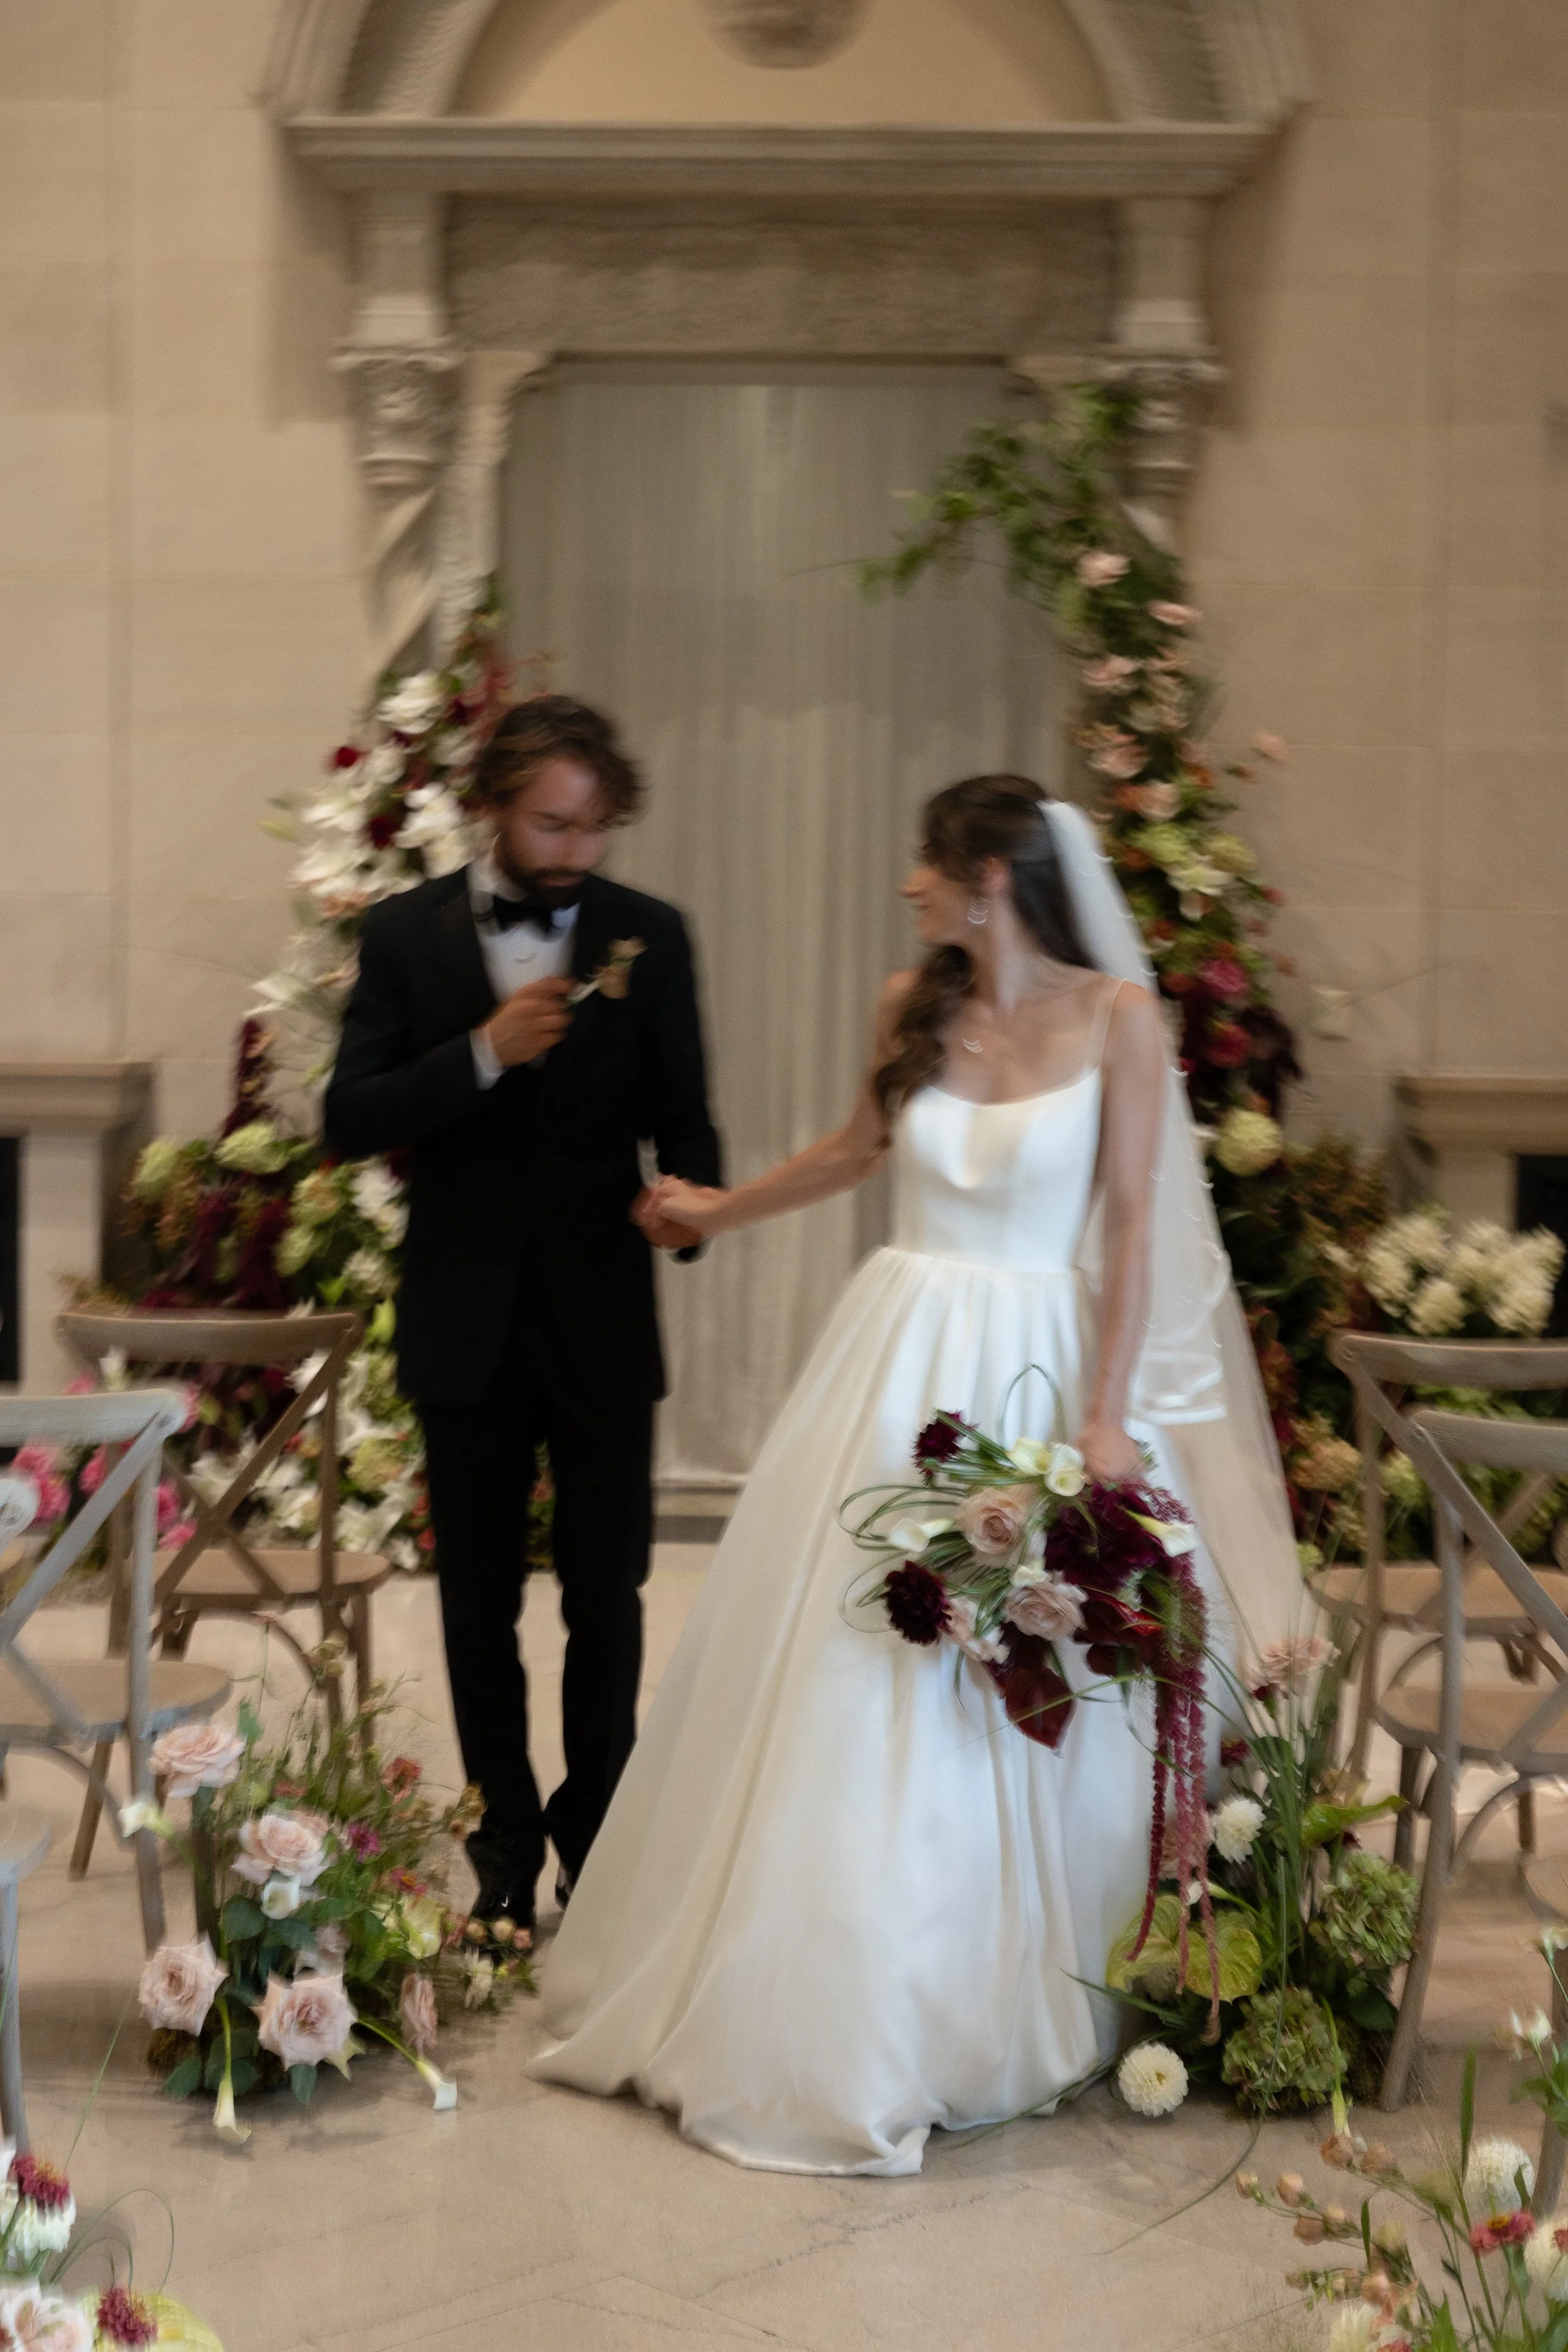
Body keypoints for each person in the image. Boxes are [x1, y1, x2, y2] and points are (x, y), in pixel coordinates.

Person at [528, 776, 1304, 2175]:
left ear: (989, 876)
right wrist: (718, 1207)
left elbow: (1130, 1228)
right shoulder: (911, 1004)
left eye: (924, 865)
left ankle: (1014, 1988)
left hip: (1041, 1361)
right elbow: (853, 1151)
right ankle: (831, 1994)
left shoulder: (1123, 1022)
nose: (907, 887)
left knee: (1023, 1666)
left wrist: (1108, 1418)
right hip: (895, 1359)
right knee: (857, 1652)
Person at [323, 696, 722, 1949]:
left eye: (594, 828)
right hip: (463, 1319)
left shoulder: (647, 937)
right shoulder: (402, 935)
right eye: (551, 823)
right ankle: (497, 1850)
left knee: (608, 1595)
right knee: (475, 1602)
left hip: (603, 1319)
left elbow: (688, 1122)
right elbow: (348, 1117)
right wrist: (482, 1054)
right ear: (495, 804)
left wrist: (689, 1210)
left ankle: (596, 1842)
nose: (573, 852)